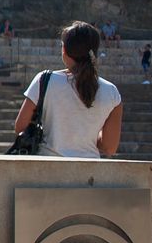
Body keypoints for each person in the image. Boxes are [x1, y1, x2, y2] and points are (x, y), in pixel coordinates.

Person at [14, 21, 123, 158]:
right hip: (89, 173)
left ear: (64, 50)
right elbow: (109, 148)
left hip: (47, 168)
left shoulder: (44, 80)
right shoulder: (111, 93)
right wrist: (84, 136)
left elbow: (20, 127)